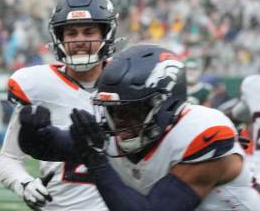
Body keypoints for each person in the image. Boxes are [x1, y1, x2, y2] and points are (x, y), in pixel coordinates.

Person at [18, 44, 260, 210]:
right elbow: (50, 147)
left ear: (165, 104)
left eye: (131, 109)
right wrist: (32, 133)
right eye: (113, 109)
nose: (120, 119)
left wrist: (96, 160)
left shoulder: (201, 132)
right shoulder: (117, 129)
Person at [0, 0, 118, 210]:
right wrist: (23, 183)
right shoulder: (39, 85)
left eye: (89, 31)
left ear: (105, 34)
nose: (79, 40)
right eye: (71, 33)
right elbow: (9, 160)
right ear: (59, 38)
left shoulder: (126, 85)